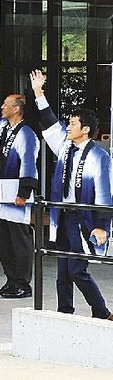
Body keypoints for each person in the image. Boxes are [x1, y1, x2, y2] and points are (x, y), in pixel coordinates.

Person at [30, 70, 113, 320]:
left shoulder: (100, 156)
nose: (68, 126)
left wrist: (101, 226)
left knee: (77, 269)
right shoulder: (65, 147)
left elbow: (106, 194)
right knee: (62, 269)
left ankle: (101, 310)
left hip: (83, 217)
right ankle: (65, 310)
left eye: (73, 123)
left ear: (85, 130)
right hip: (63, 215)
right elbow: (49, 122)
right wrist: (38, 92)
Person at [0, 94, 39, 300]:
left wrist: (24, 192)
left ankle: (23, 283)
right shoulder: (4, 128)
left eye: (5, 104)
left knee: (19, 238)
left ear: (17, 108)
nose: (2, 107)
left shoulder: (26, 133)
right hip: (0, 190)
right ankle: (11, 280)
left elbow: (29, 161)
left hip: (16, 191)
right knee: (3, 239)